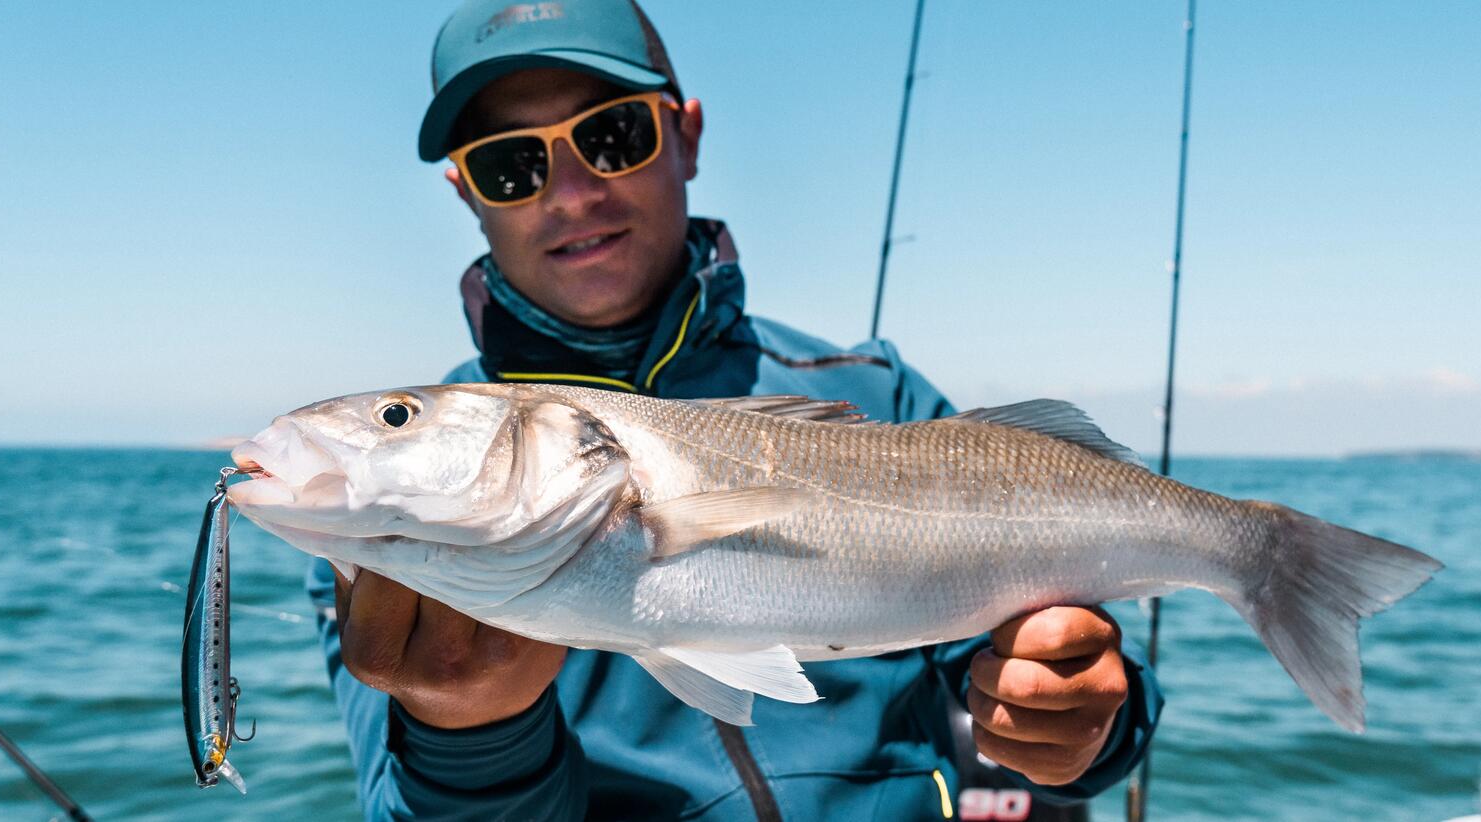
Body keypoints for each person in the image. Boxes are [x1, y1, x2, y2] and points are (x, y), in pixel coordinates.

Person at [303, 1, 1163, 818]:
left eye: (613, 135)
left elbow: (1070, 677)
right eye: (510, 164)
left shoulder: (876, 393)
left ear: (687, 135)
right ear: (467, 195)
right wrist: (468, 731)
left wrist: (1092, 718)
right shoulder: (390, 515)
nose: (569, 193)